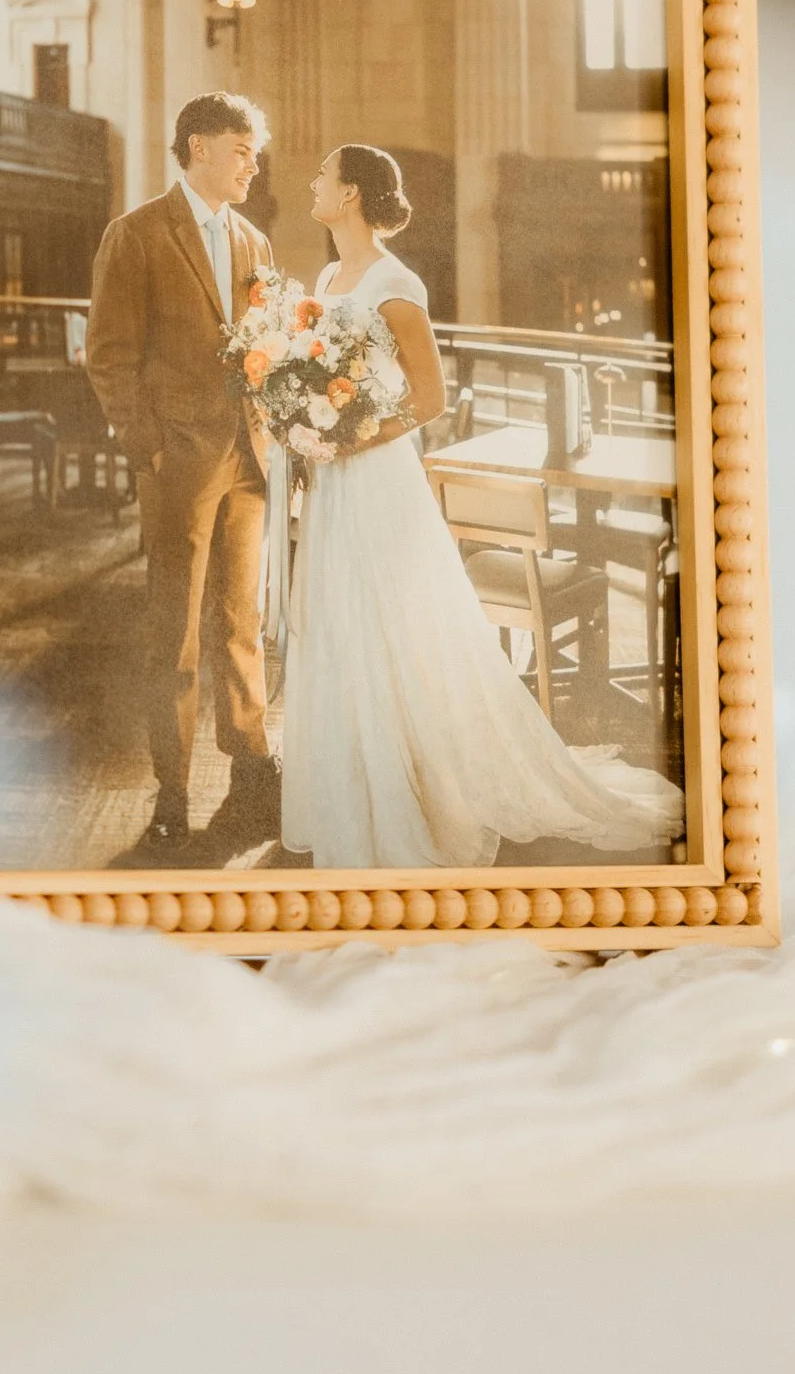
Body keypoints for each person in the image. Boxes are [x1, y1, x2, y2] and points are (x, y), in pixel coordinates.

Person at [280, 143, 684, 869]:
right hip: (333, 479)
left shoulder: (395, 283)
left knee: (394, 623)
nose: (311, 183)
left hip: (374, 478)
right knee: (340, 622)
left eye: (322, 177)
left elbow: (427, 398)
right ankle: (362, 780)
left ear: (351, 195)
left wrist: (350, 436)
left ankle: (420, 788)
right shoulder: (325, 275)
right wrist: (307, 422)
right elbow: (320, 373)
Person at [86, 92, 279, 854]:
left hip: (247, 459)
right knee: (173, 630)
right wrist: (149, 448)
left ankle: (251, 769)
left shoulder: (254, 240)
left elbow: (262, 344)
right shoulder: (134, 235)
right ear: (198, 146)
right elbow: (107, 354)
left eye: (253, 153)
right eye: (241, 149)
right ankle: (170, 792)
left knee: (241, 621)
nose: (250, 165)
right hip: (178, 460)